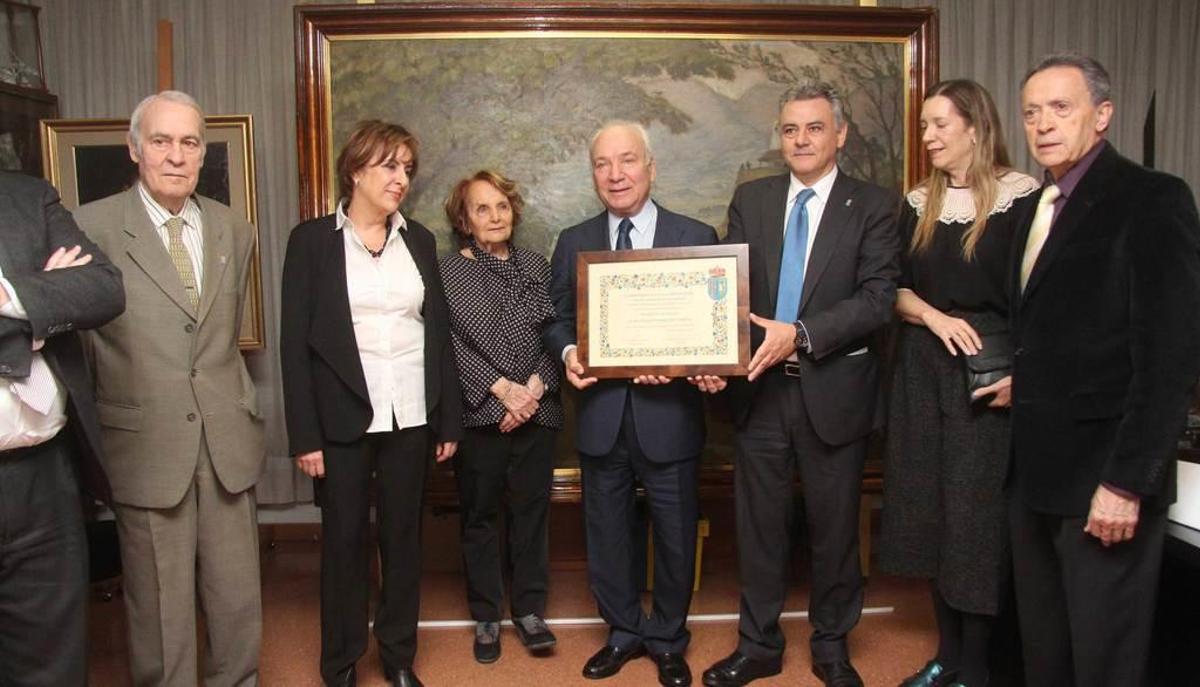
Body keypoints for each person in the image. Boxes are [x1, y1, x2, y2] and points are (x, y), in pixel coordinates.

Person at [1007, 53, 1200, 687]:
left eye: (1061, 108)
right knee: (1045, 658)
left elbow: (1169, 358)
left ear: (1102, 115)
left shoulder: (1152, 198)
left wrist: (1125, 483)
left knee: (1104, 663)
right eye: (1031, 112)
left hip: (1103, 482)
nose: (1043, 124)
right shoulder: (1034, 206)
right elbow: (1054, 333)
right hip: (1034, 477)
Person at [703, 82, 900, 687]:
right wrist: (710, 352)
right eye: (790, 129)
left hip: (833, 390)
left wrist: (802, 333)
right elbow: (727, 289)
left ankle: (832, 646)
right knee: (759, 528)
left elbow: (878, 298)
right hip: (761, 390)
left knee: (834, 530)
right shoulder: (753, 199)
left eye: (815, 128)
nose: (801, 140)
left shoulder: (874, 205)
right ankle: (758, 646)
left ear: (840, 134)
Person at [75, 90, 265, 687]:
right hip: (146, 443)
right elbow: (80, 348)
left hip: (226, 441)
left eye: (189, 142)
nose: (176, 156)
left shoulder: (234, 229)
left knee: (236, 598)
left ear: (203, 152)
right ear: (135, 149)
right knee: (161, 608)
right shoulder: (91, 228)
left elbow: (217, 337)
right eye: (161, 141)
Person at [280, 119, 462, 687]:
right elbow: (294, 346)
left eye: (407, 168)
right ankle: (340, 663)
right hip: (341, 422)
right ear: (355, 170)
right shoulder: (311, 242)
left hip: (411, 416)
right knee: (344, 543)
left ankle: (399, 657)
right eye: (389, 165)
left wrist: (447, 420)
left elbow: (438, 336)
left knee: (403, 541)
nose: (401, 178)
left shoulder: (420, 241)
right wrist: (305, 436)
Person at [544, 121, 725, 687]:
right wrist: (570, 352)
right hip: (602, 418)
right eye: (602, 164)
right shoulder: (573, 240)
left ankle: (668, 639)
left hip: (670, 418)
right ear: (592, 174)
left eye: (627, 160)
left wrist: (700, 364)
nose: (615, 174)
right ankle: (622, 632)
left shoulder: (695, 233)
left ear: (651, 167)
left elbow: (716, 322)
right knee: (606, 534)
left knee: (675, 535)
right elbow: (556, 318)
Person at [877, 80, 1038, 687]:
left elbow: (1042, 299)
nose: (927, 136)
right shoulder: (917, 203)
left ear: (975, 126)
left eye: (939, 124)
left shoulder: (1024, 198)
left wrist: (1023, 375)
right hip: (921, 370)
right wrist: (935, 317)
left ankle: (977, 666)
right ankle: (946, 657)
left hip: (987, 374)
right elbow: (892, 289)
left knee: (975, 523)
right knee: (928, 514)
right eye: (923, 125)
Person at [0, 172, 123, 686]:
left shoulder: (27, 196)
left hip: (44, 478)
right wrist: (40, 301)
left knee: (54, 667)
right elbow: (66, 298)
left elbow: (103, 289)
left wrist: (9, 294)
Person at [439, 170, 562, 664]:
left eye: (502, 206)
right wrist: (503, 393)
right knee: (480, 517)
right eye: (482, 209)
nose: (495, 216)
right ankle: (487, 615)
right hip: (480, 414)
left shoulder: (537, 265)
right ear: (464, 221)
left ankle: (530, 612)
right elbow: (448, 344)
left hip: (539, 409)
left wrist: (532, 390)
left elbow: (558, 332)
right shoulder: (448, 272)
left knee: (532, 514)